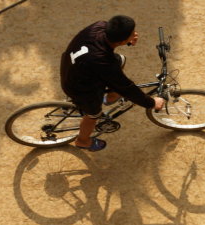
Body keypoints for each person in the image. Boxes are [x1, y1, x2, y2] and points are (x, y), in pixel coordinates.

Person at [60, 15, 164, 151]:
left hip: (71, 66)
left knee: (120, 59)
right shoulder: (103, 61)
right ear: (121, 40)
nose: (135, 34)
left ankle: (111, 97)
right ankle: (83, 141)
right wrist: (151, 103)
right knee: (93, 115)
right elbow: (126, 87)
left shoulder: (98, 26)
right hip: (78, 86)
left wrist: (127, 40)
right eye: (132, 34)